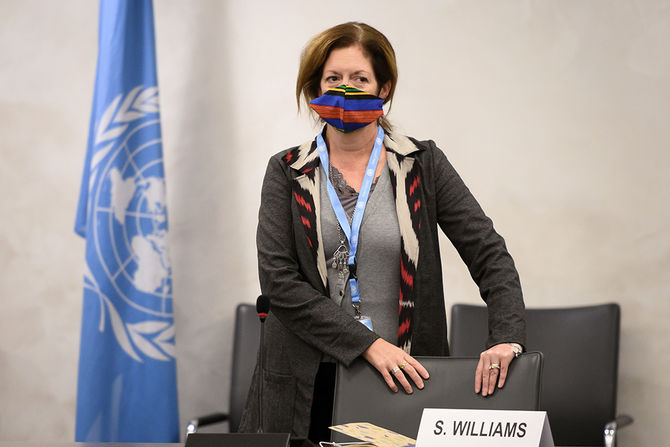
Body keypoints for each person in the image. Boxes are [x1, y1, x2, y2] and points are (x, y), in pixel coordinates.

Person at [239, 22, 525, 442]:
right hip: (304, 382)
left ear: (384, 89)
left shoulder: (422, 164)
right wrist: (367, 343)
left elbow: (489, 254)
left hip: (401, 380)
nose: (345, 90)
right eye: (333, 79)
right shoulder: (287, 170)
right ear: (315, 89)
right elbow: (279, 283)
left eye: (360, 79)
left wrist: (506, 338)